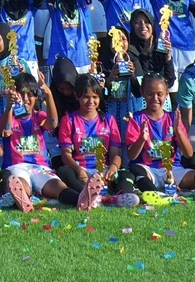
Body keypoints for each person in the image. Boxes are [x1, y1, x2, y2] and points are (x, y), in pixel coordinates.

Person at [55, 76, 138, 209]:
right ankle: (90, 195)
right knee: (63, 172)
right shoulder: (69, 120)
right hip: (80, 171)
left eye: (95, 97)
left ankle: (118, 195)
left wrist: (113, 168)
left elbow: (116, 154)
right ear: (77, 96)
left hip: (103, 170)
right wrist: (80, 171)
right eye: (86, 97)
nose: (91, 101)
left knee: (126, 174)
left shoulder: (109, 120)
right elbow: (66, 155)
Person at [0, 71, 70, 212]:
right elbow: (5, 130)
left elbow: (53, 123)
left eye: (30, 94)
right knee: (21, 185)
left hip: (40, 167)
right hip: (16, 166)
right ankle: (23, 199)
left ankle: (80, 199)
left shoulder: (39, 116)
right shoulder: (9, 117)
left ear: (36, 97)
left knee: (57, 186)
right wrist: (9, 106)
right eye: (21, 94)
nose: (25, 99)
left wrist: (48, 93)